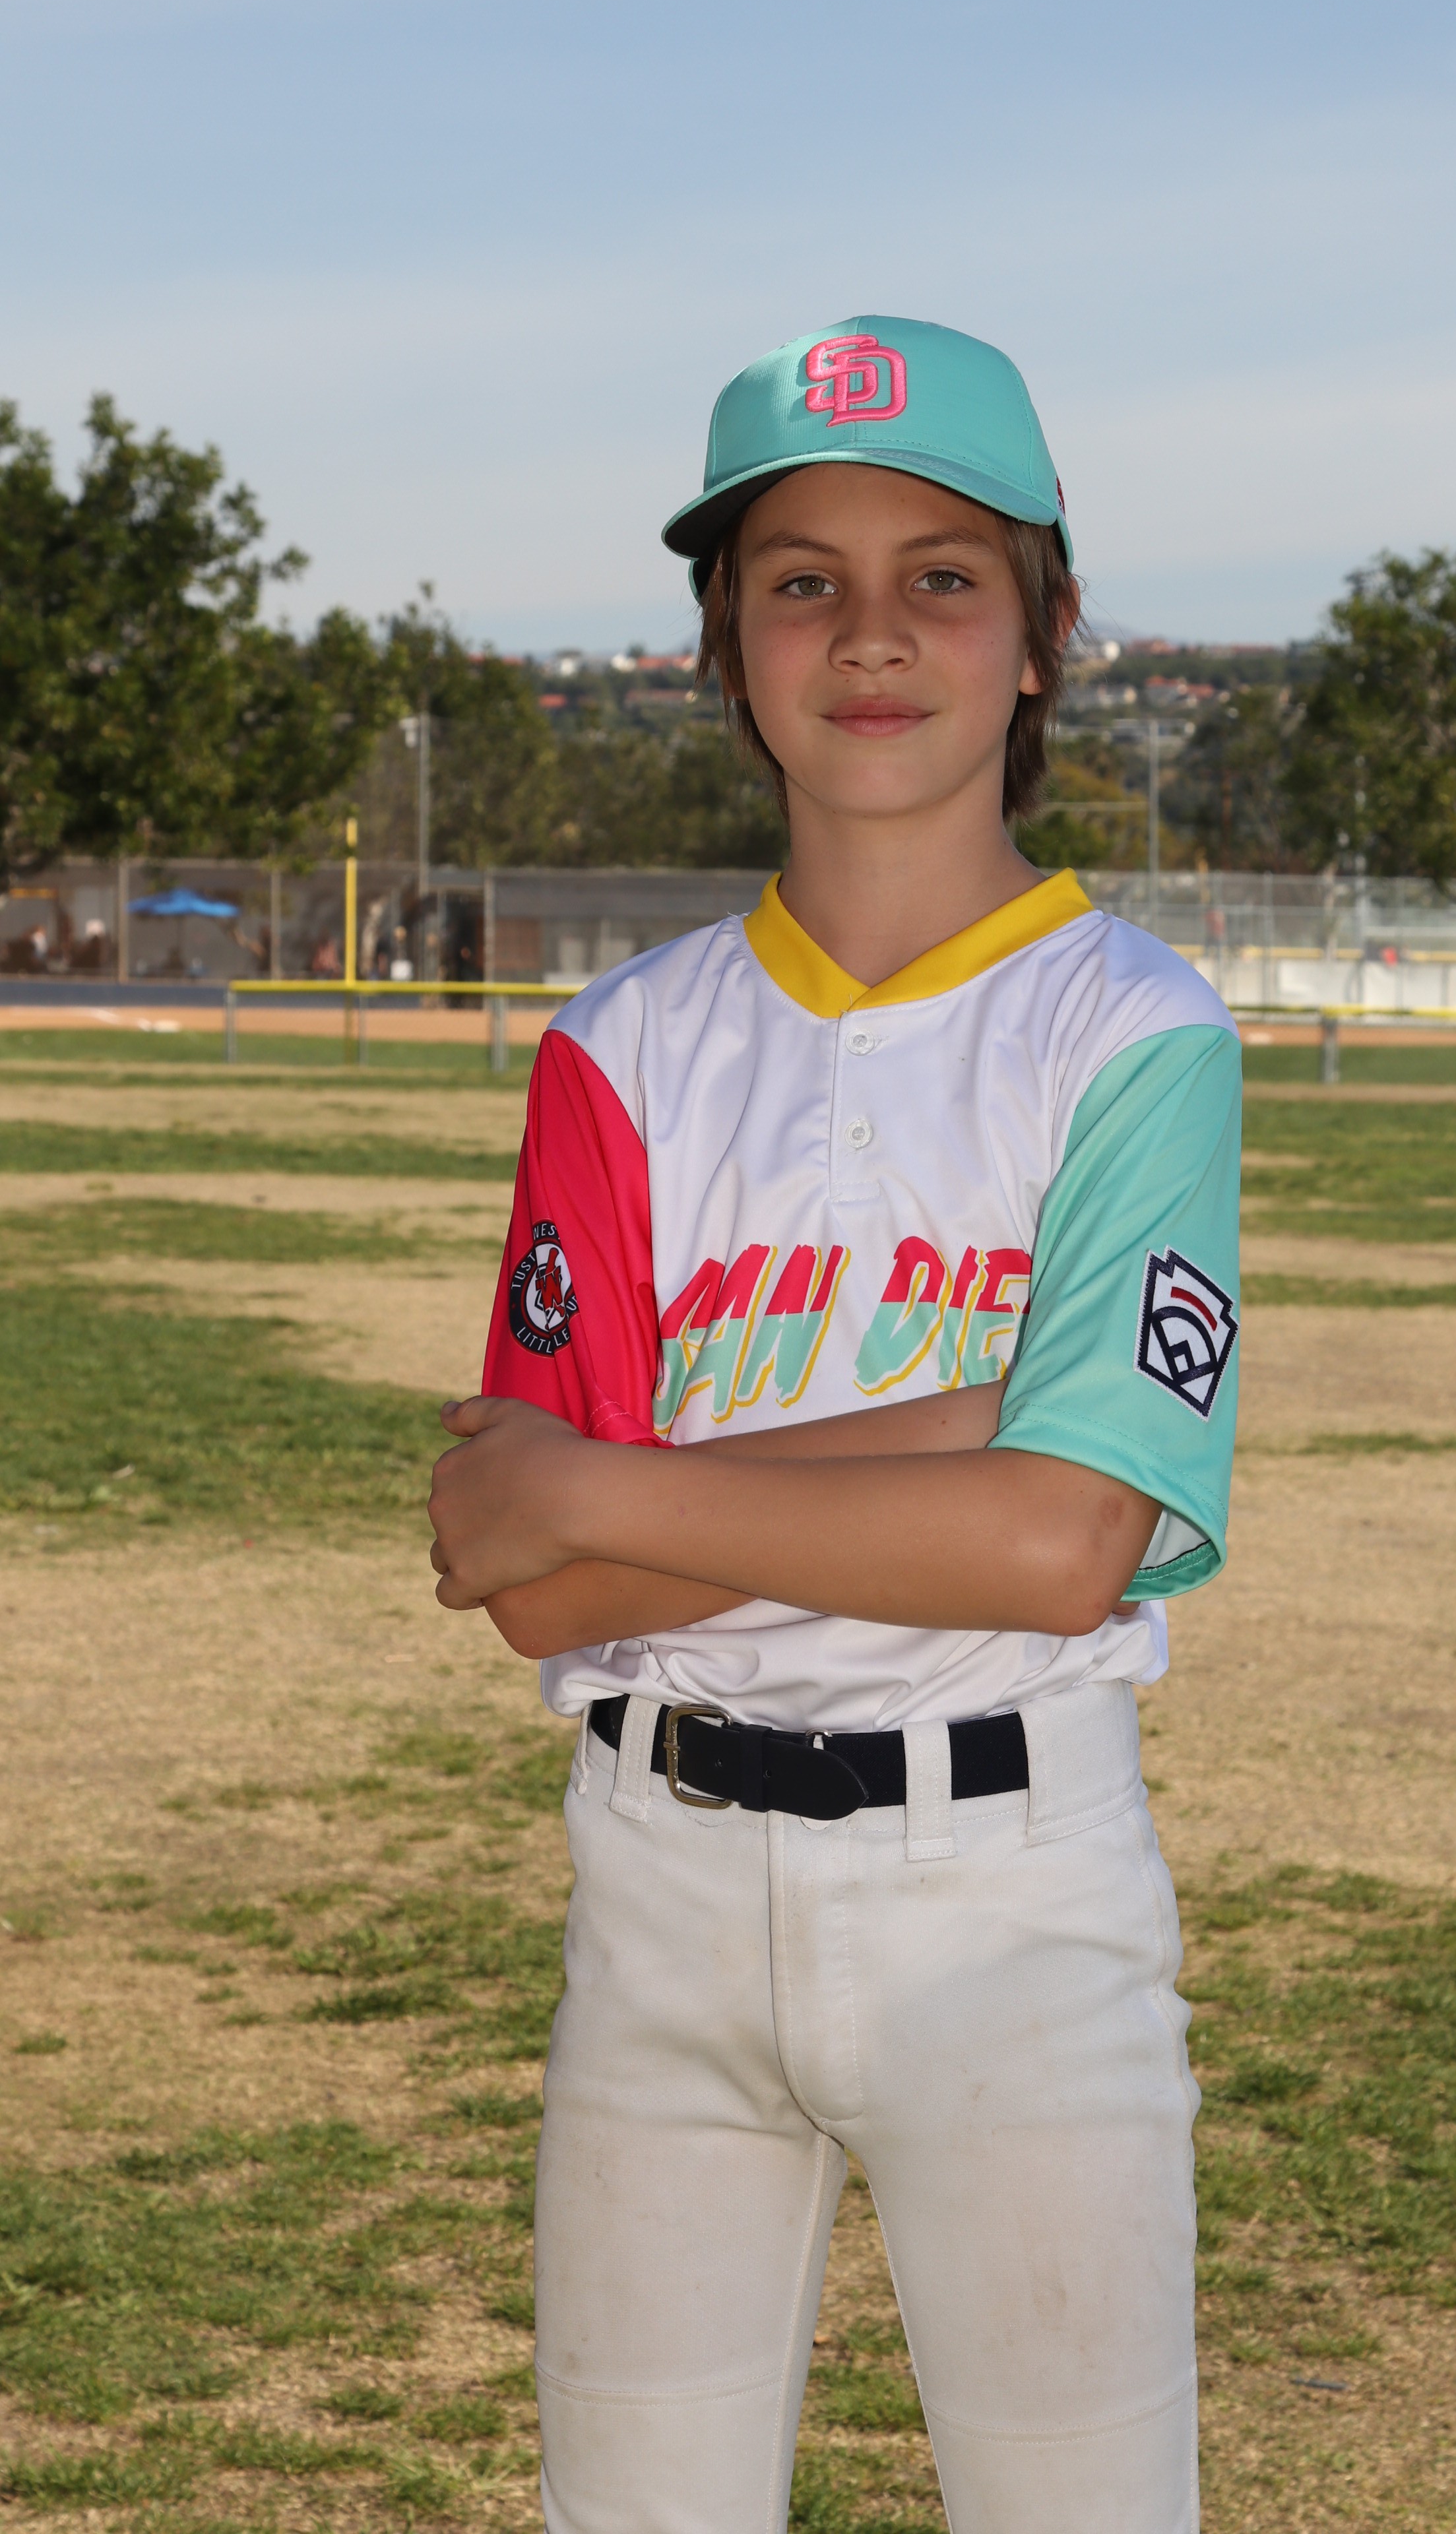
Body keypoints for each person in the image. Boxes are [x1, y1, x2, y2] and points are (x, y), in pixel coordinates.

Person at [427, 316, 1242, 2534]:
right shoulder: (620, 1047)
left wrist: (601, 1484)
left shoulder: (1132, 1028)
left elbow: (1062, 1549)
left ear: (1044, 635)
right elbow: (523, 1586)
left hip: (1016, 1896)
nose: (871, 634)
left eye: (943, 577)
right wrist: (981, 1429)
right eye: (801, 581)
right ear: (726, 645)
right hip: (660, 1894)